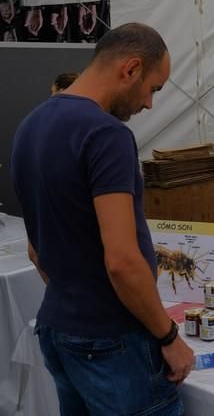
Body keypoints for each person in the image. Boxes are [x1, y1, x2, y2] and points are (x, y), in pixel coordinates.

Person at [10, 23, 194, 415]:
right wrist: (169, 335)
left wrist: (76, 295)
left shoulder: (28, 128)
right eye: (153, 89)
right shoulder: (105, 134)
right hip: (112, 342)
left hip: (58, 327)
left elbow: (35, 251)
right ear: (130, 68)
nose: (149, 104)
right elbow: (122, 261)